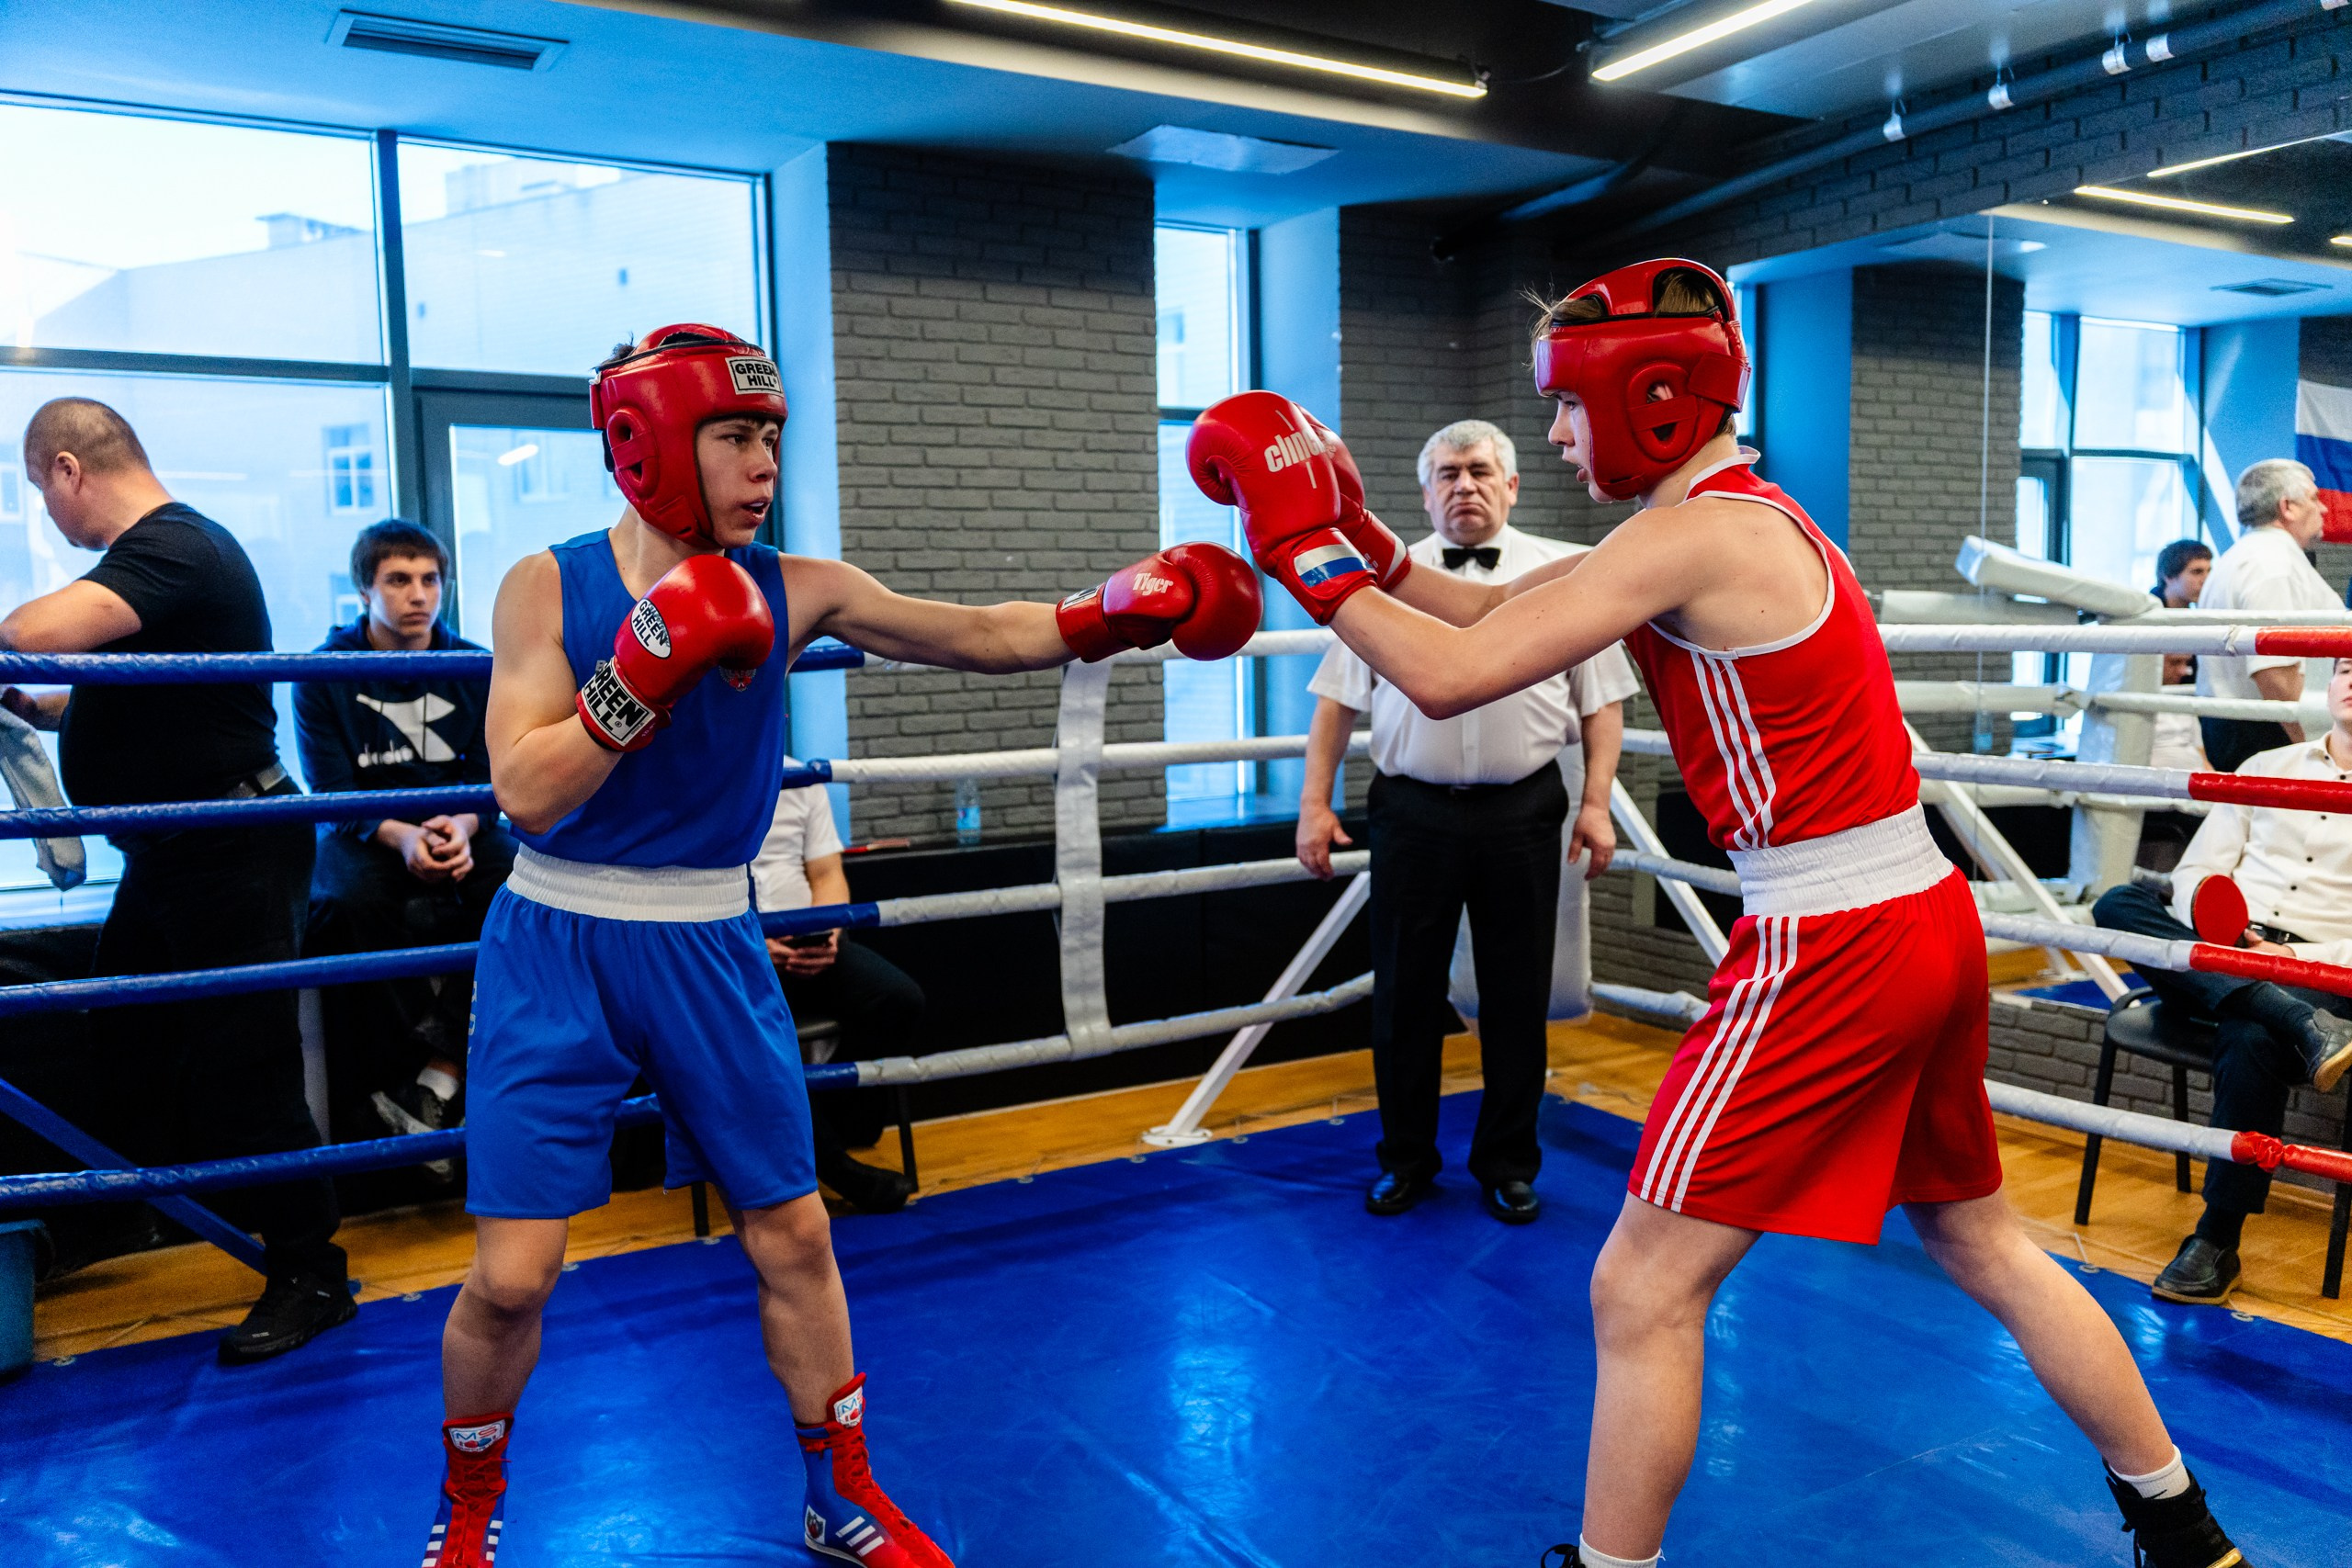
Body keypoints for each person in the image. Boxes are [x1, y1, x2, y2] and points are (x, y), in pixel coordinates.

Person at [1190, 262, 2245, 1568]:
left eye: (1571, 411)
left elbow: (1451, 674)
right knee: (1980, 1236)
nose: (1561, 440)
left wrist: (1295, 548)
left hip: (1832, 937)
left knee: (1642, 1282)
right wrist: (1361, 535)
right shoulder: (1742, 518)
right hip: (1919, 911)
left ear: (1654, 394)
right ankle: (2183, 1525)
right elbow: (1478, 605)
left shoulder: (1691, 538)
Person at [421, 323, 1261, 1567]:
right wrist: (637, 676)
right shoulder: (545, 585)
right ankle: (473, 1507)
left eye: (771, 436)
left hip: (708, 933)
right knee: (512, 1275)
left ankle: (841, 1492)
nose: (764, 463)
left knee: (797, 1230)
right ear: (647, 445)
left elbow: (977, 633)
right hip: (558, 931)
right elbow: (526, 792)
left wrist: (1117, 610)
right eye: (735, 436)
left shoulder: (795, 582)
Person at [0, 398, 351, 1363]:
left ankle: (312, 1272)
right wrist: (46, 708)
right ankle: (124, 1219)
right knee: (125, 1039)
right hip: (174, 851)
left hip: (230, 842)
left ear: (70, 470)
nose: (47, 512)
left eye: (41, 489)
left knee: (246, 1063)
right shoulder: (159, 568)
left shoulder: (176, 548)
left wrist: (18, 659)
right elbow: (137, 695)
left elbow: (27, 625)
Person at [1296, 417, 1634, 1224]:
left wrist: (1595, 802)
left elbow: (1605, 700)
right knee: (1404, 997)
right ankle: (1407, 1159)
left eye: (1480, 470)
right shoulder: (1379, 579)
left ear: (1512, 484)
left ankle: (1509, 1162)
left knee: (1516, 997)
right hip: (1411, 810)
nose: (1464, 486)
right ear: (1424, 490)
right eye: (1447, 473)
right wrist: (1315, 803)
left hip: (1523, 806)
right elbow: (1337, 703)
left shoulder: (1560, 574)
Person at [2091, 659, 2352, 1304]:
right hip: (2226, 945)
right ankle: (2298, 1021)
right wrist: (2224, 930)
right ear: (2329, 684)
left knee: (2251, 1033)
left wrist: (2291, 959)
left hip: (2322, 965)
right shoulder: (2267, 768)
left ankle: (2216, 1237)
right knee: (2117, 905)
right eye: (2346, 665)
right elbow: (2196, 871)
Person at [298, 519, 512, 1168]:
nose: (418, 594)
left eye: (430, 579)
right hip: (373, 832)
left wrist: (463, 829)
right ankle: (417, 1074)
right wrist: (405, 835)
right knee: (342, 902)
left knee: (534, 889)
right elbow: (332, 792)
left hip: (461, 827)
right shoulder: (322, 674)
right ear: (365, 589)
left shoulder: (474, 663)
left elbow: (492, 775)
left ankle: (439, 1077)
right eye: (399, 580)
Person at [752, 771, 928, 1215]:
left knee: (897, 999)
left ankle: (832, 1126)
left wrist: (829, 930)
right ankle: (835, 1166)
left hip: (809, 939)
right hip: (736, 950)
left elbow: (828, 873)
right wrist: (750, 940)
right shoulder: (694, 772)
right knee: (761, 1036)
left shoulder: (799, 778)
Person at [2197, 459, 2335, 773]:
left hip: (2245, 725)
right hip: (2269, 731)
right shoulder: (2274, 566)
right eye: (2314, 498)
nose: (2324, 509)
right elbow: (2274, 672)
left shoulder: (2243, 557)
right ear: (2287, 507)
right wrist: (2319, 752)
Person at [2138, 651, 2211, 872]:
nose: (2184, 671)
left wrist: (2223, 792)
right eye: (2175, 663)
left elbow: (2202, 758)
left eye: (2187, 663)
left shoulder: (2182, 700)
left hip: (2193, 793)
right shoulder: (2130, 706)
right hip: (2162, 796)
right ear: (2152, 661)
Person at [2153, 539, 2211, 610]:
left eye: (2209, 571)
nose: (2206, 581)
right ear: (2169, 576)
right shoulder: (2145, 615)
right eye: (2197, 572)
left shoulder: (2194, 614)